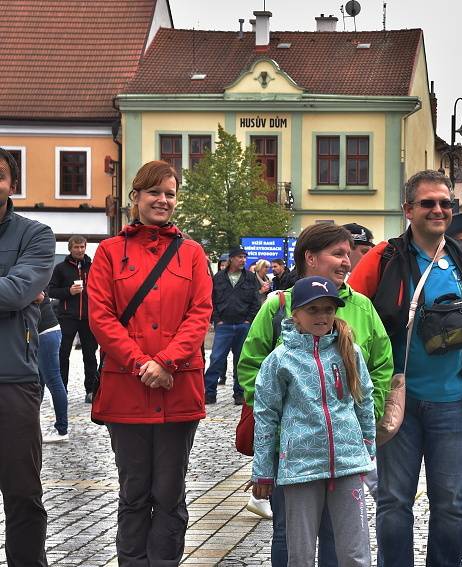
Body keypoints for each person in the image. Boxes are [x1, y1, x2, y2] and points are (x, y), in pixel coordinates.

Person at [348, 169, 462, 566]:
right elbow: (349, 316)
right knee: (393, 502)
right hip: (395, 405)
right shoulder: (383, 257)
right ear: (408, 210)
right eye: (428, 203)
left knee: (452, 505)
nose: (438, 210)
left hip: (453, 403)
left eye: (445, 203)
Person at [239, 222, 393, 566]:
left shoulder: (359, 316)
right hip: (297, 460)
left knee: (348, 546)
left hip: (346, 458)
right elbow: (253, 376)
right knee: (294, 543)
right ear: (310, 257)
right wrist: (284, 431)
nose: (347, 261)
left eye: (347, 254)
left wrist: (363, 436)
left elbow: (374, 378)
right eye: (338, 253)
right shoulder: (278, 312)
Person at [87, 160, 212, 566]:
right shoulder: (109, 252)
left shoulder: (192, 254)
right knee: (135, 490)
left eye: (170, 194)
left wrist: (167, 362)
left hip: (176, 389)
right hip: (128, 388)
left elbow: (200, 314)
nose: (162, 200)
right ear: (135, 197)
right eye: (154, 192)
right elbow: (101, 316)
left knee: (170, 492)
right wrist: (143, 363)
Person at [252, 276, 375, 567]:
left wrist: (367, 448)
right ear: (296, 313)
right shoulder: (280, 359)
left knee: (355, 551)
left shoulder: (350, 352)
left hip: (348, 464)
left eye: (329, 310)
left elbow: (364, 402)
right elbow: (266, 416)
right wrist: (263, 472)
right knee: (301, 553)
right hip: (300, 468)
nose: (322, 316)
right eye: (313, 310)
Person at [0, 146, 54, 567]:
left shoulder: (35, 234)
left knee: (22, 493)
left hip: (12, 380)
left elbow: (19, 290)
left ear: (11, 184)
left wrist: (18, 292)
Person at [204, 245, 260, 405]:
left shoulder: (250, 277)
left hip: (243, 325)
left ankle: (239, 394)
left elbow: (255, 301)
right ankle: (209, 393)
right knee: (216, 359)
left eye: (244, 257)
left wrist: (248, 320)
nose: (243, 260)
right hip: (224, 325)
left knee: (241, 361)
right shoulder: (219, 278)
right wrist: (217, 319)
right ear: (232, 259)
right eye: (240, 257)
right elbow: (211, 300)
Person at [49, 235, 99, 403]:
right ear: (70, 249)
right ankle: (62, 389)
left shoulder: (93, 268)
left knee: (90, 355)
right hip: (66, 317)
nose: (79, 250)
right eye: (76, 247)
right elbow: (51, 290)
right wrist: (68, 292)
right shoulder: (60, 269)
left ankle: (91, 390)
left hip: (87, 317)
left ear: (85, 248)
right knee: (62, 354)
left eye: (82, 247)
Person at [37, 290, 69, 443]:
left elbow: (38, 297)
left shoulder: (31, 274)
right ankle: (33, 427)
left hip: (45, 333)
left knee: (54, 381)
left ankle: (62, 430)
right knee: (38, 383)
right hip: (45, 333)